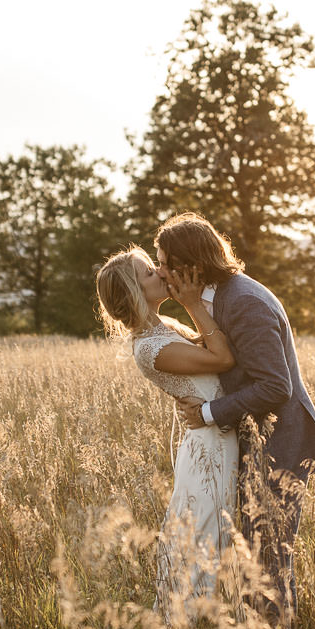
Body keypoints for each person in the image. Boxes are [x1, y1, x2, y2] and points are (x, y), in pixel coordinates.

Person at [154, 212, 315, 624]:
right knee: (253, 551)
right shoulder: (216, 299)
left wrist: (207, 413)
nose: (160, 272)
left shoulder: (245, 303)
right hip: (256, 439)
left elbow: (275, 387)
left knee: (267, 555)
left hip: (280, 444)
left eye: (163, 262)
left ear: (190, 267)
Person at [94, 246, 240, 607]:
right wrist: (192, 303)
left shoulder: (166, 328)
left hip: (217, 435)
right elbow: (221, 358)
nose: (161, 273)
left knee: (219, 538)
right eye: (148, 273)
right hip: (210, 448)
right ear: (133, 293)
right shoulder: (149, 348)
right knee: (200, 543)